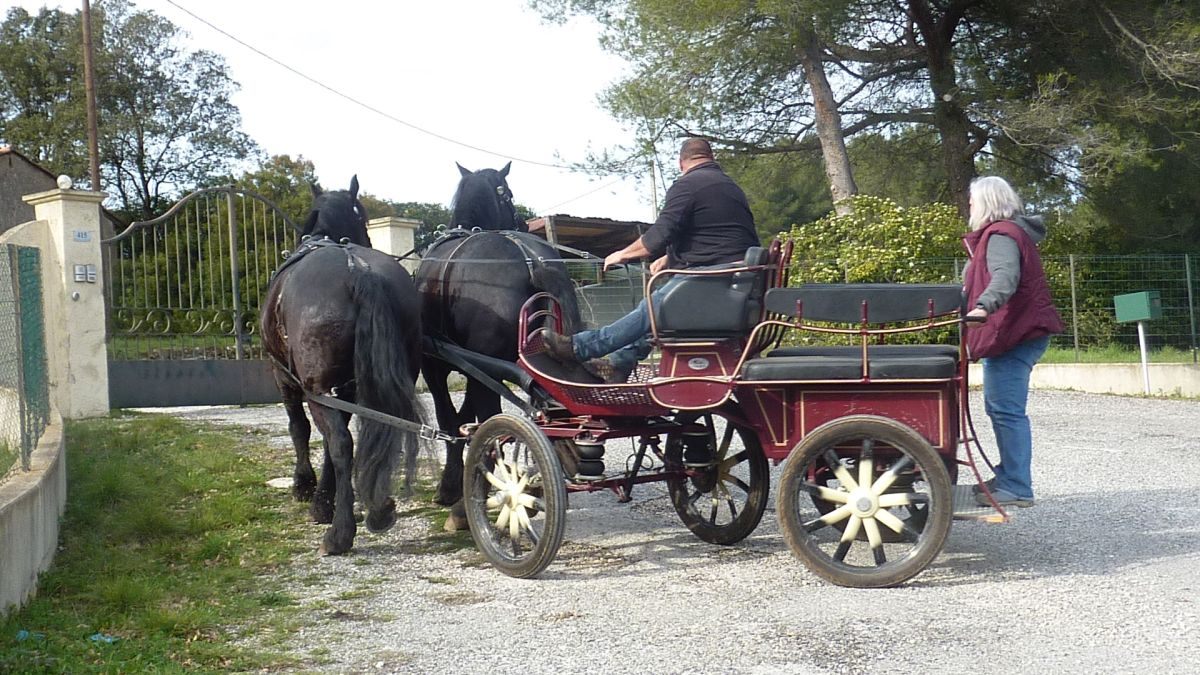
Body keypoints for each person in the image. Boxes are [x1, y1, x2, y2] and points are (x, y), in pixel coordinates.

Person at [544, 137, 759, 383]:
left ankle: (581, 347)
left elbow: (658, 236)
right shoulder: (729, 187)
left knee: (653, 306)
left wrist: (621, 254)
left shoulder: (689, 185)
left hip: (713, 283)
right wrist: (670, 258)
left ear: (681, 163)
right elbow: (723, 238)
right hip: (734, 281)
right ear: (711, 158)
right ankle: (619, 364)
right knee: (657, 312)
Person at [963, 176, 1065, 508]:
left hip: (1016, 334)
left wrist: (983, 306)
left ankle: (1018, 485)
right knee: (1001, 408)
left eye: (972, 201)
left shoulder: (1002, 235)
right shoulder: (1007, 233)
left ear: (987, 203)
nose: (969, 207)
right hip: (1015, 333)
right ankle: (1009, 476)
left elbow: (1006, 277)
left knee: (1006, 411)